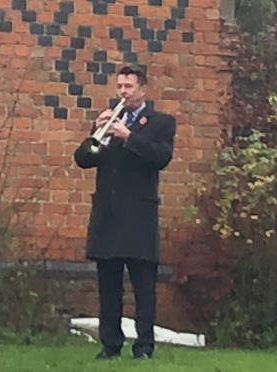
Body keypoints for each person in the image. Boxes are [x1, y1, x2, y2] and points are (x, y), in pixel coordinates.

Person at [73, 65, 177, 360]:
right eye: (119, 86)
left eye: (128, 87)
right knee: (108, 286)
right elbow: (84, 159)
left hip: (139, 218)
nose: (123, 92)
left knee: (144, 287)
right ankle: (110, 344)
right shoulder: (109, 122)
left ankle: (144, 346)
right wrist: (97, 131)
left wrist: (128, 136)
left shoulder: (160, 122)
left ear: (142, 90)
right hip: (108, 215)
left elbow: (160, 157)